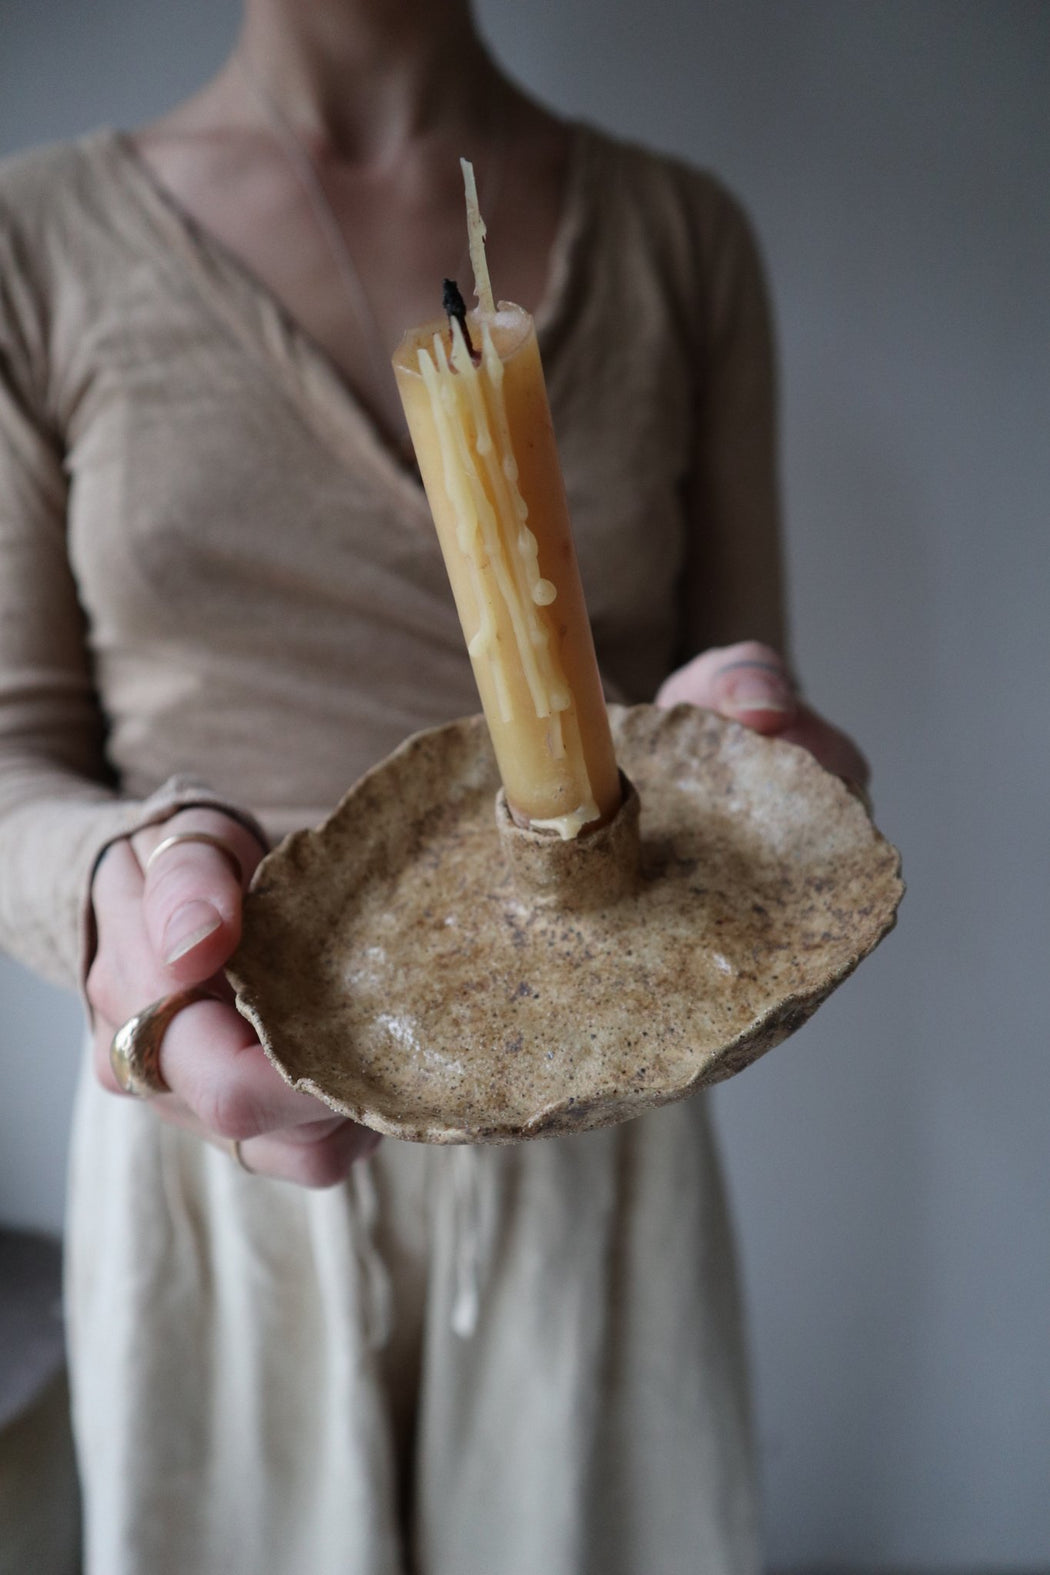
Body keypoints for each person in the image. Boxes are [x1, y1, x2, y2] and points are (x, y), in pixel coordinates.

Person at [0, 2, 867, 1571]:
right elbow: (9, 752)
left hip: (594, 1127)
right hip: (218, 1129)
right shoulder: (33, 241)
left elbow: (727, 691)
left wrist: (740, 745)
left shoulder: (680, 239)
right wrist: (119, 879)